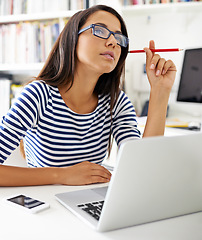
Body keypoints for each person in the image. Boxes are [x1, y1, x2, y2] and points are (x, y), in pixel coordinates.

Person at [0, 5, 176, 186]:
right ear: (72, 39)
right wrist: (62, 175)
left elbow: (142, 169)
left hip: (89, 204)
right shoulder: (38, 95)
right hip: (46, 209)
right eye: (100, 30)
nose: (113, 42)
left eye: (118, 37)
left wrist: (160, 91)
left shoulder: (117, 102)